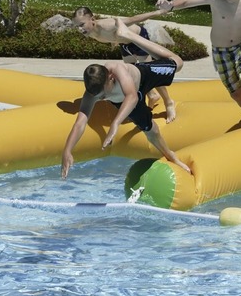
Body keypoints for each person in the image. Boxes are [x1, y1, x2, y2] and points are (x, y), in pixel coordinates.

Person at [61, 16, 191, 179]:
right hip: (128, 101)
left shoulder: (116, 69)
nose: (102, 97)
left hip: (143, 76)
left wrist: (115, 123)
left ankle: (130, 36)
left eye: (103, 93)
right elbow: (80, 123)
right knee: (150, 131)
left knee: (177, 63)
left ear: (110, 77)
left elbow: (131, 96)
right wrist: (67, 150)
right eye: (99, 96)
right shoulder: (92, 92)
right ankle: (172, 156)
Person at [72, 6, 177, 123]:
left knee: (151, 73)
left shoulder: (107, 25)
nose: (80, 29)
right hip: (125, 45)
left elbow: (134, 19)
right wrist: (114, 40)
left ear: (92, 19)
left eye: (81, 24)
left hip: (138, 39)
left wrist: (159, 12)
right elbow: (109, 36)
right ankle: (152, 96)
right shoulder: (89, 31)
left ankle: (168, 102)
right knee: (131, 75)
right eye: (77, 26)